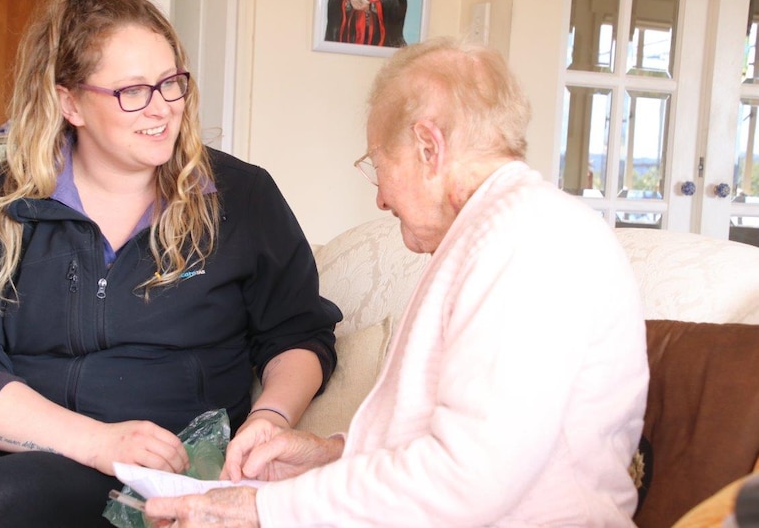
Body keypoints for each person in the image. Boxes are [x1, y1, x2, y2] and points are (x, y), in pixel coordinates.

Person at [143, 38, 650, 526]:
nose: (381, 198)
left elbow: (467, 480)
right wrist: (328, 456)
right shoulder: (489, 234)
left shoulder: (532, 240)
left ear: (429, 146)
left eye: (378, 165)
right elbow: (445, 443)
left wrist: (261, 511)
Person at [0, 0, 340, 528]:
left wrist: (271, 417)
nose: (162, 110)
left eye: (171, 83)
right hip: (28, 425)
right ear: (70, 102)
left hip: (155, 455)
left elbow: (298, 333)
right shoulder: (2, 199)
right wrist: (91, 439)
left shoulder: (240, 196)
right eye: (132, 91)